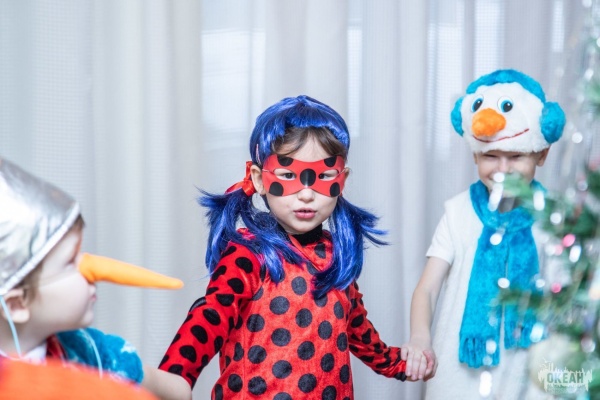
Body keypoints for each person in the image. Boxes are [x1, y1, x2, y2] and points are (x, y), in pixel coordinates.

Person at [154, 95, 429, 399]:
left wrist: (406, 364)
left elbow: (361, 335)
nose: (307, 194)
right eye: (288, 175)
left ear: (342, 180)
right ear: (259, 179)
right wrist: (176, 374)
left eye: (323, 176)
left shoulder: (335, 257)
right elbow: (211, 315)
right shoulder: (249, 253)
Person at [402, 69, 566, 399]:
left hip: (529, 375)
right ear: (475, 154)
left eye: (516, 156)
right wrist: (420, 337)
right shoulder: (457, 212)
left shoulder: (555, 218)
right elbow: (428, 289)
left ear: (541, 154)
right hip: (458, 376)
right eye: (491, 156)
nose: (503, 169)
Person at [0, 157, 184, 397]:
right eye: (70, 262)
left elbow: (180, 391)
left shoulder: (92, 353)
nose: (92, 269)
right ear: (16, 304)